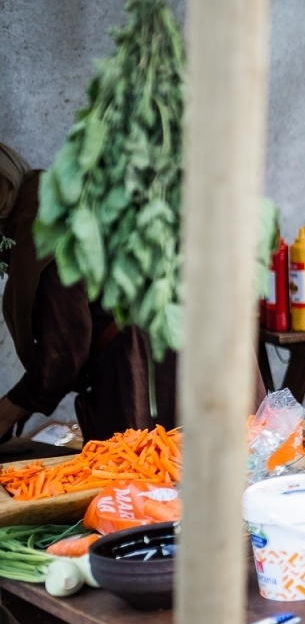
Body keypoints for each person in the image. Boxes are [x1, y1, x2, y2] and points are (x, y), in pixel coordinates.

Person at [0, 143, 176, 443]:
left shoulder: (43, 227)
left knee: (154, 477)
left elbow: (66, 350)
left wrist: (10, 408)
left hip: (148, 361)